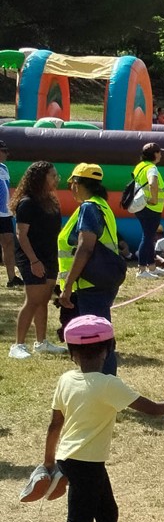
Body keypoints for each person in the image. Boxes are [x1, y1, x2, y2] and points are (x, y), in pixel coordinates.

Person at [14, 316, 164, 522]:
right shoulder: (108, 384)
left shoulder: (66, 380)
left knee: (107, 515)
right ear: (109, 349)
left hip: (72, 458)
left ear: (72, 352)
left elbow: (53, 424)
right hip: (86, 463)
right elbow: (151, 410)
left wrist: (48, 462)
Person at [56, 164, 123, 376]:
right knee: (100, 333)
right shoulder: (101, 205)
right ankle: (104, 386)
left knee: (98, 337)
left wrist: (67, 287)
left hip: (90, 284)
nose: (70, 189)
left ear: (76, 183)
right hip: (102, 280)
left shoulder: (88, 208)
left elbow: (85, 248)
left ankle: (106, 388)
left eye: (70, 184)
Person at [10, 162, 66, 359]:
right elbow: (21, 234)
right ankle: (17, 345)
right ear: (40, 178)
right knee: (33, 301)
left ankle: (41, 342)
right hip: (31, 257)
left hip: (50, 255)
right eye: (52, 175)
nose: (56, 178)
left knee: (43, 300)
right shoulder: (27, 202)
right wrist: (34, 261)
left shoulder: (51, 200)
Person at [132, 142, 164, 280]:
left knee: (148, 236)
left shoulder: (140, 166)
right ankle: (141, 270)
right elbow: (152, 183)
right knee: (147, 237)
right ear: (154, 154)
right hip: (151, 207)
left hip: (141, 206)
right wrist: (153, 199)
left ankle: (151, 267)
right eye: (159, 152)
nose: (161, 154)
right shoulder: (151, 168)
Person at [0, 139, 21, 289]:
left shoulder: (4, 168)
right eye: (4, 151)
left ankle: (12, 278)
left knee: (8, 243)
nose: (7, 154)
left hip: (4, 213)